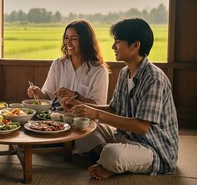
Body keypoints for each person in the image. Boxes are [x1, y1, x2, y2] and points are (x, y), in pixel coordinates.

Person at [63, 17, 179, 180]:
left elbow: (142, 127)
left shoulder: (154, 78)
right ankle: (112, 159)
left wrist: (96, 114)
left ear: (135, 45)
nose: (113, 46)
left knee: (113, 153)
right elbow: (114, 109)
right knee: (82, 127)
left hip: (153, 148)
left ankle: (111, 160)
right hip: (125, 137)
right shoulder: (125, 72)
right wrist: (81, 106)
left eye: (117, 41)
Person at [27, 19, 109, 105]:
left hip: (83, 118)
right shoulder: (58, 64)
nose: (68, 42)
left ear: (86, 41)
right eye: (66, 38)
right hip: (56, 116)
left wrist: (75, 96)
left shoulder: (99, 71)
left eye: (73, 38)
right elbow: (48, 97)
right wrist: (38, 93)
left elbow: (99, 105)